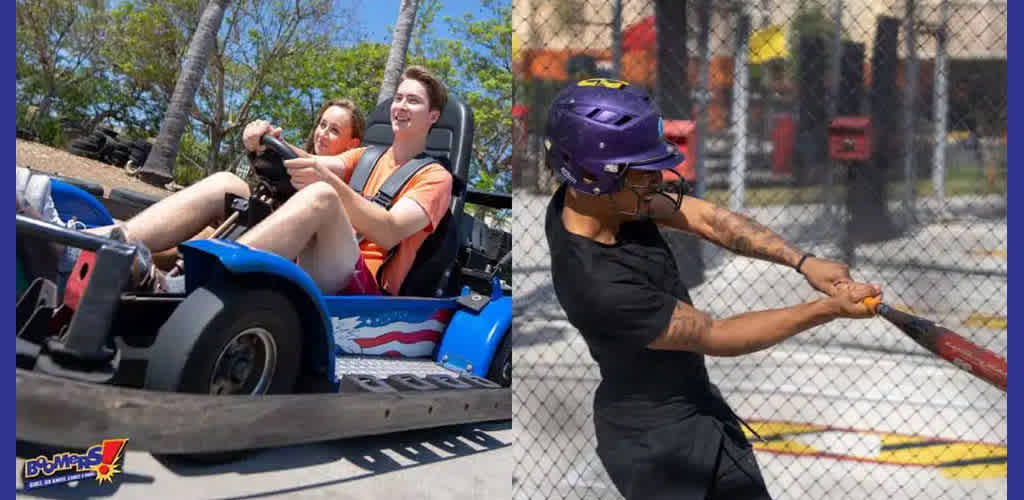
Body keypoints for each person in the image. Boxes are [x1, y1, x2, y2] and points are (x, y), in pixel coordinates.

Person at [543, 79, 883, 499]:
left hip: (697, 409)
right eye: (641, 168)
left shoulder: (597, 200)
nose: (656, 179)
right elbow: (714, 334)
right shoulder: (597, 283)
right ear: (593, 174)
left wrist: (803, 262)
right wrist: (827, 309)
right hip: (656, 446)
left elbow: (705, 218)